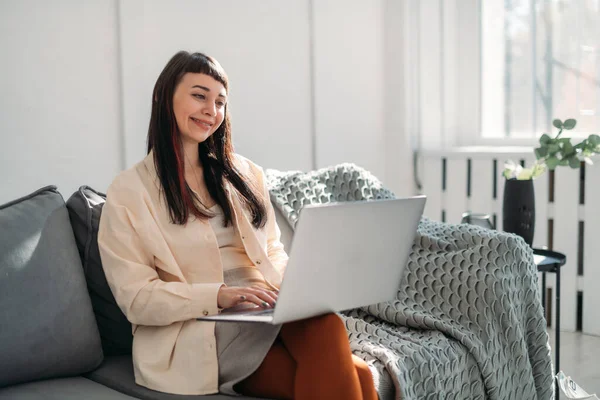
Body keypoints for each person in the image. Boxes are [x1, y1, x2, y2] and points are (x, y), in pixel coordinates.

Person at [97, 51, 377, 400]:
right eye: (199, 95)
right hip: (202, 329)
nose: (211, 111)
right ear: (162, 96)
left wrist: (303, 287)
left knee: (329, 330)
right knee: (359, 379)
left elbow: (273, 250)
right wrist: (219, 295)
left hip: (267, 312)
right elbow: (137, 298)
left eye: (220, 102)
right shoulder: (128, 192)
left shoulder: (245, 173)